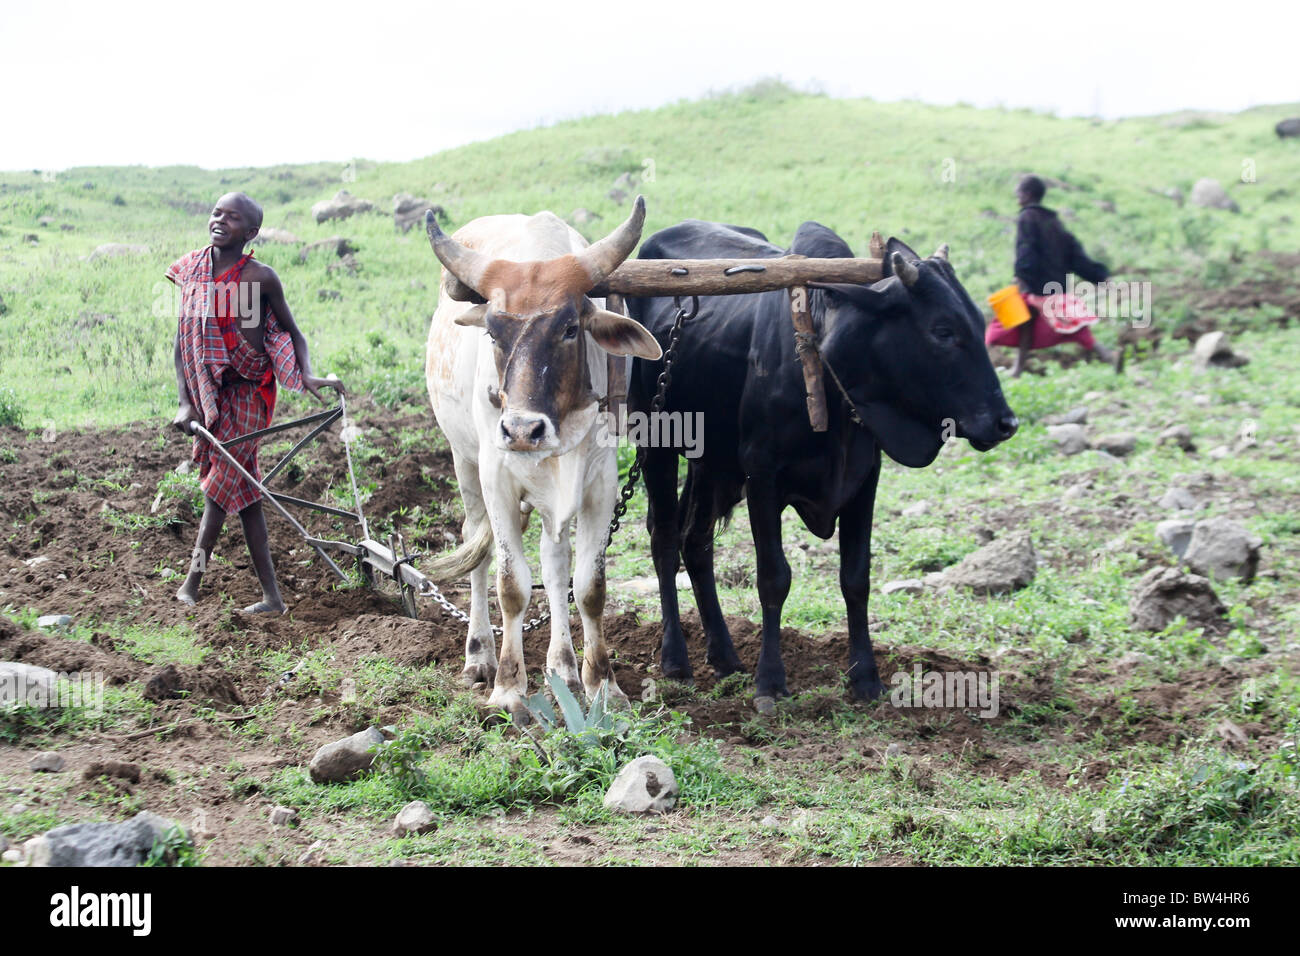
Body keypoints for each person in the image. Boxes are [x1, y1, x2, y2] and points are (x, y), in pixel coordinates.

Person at [166, 192, 344, 613]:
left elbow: (293, 333)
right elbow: (182, 342)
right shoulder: (192, 270)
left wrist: (308, 372)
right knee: (245, 498)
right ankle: (273, 598)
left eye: (232, 217)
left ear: (251, 232)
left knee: (217, 490)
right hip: (213, 395)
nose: (220, 221)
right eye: (216, 213)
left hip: (251, 395)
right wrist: (185, 402)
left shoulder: (261, 279)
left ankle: (192, 583)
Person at [987, 174, 1115, 376]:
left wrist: (1021, 275)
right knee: (1029, 323)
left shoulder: (1026, 217)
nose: (1016, 196)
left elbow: (1025, 249)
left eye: (1019, 192)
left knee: (1012, 323)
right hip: (1055, 284)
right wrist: (1099, 276)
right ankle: (1017, 369)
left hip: (1036, 284)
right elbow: (1074, 253)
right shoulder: (1053, 221)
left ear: (1027, 195)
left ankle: (1108, 356)